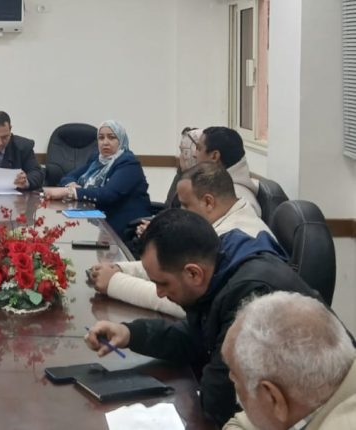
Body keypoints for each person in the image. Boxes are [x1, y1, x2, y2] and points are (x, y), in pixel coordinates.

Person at [84, 208, 320, 426]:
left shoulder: (249, 298)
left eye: (163, 283)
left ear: (193, 273)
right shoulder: (222, 261)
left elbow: (218, 402)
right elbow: (197, 335)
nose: (159, 293)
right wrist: (130, 333)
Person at [88, 162, 273, 318]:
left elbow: (187, 302)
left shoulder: (237, 236)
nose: (180, 212)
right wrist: (120, 268)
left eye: (185, 205)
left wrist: (115, 283)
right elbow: (173, 265)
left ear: (208, 202)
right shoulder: (230, 218)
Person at [222, 292, 356, 430]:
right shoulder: (328, 384)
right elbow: (240, 424)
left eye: (236, 380)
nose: (230, 377)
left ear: (273, 398)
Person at [43, 120, 151, 235]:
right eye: (101, 138)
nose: (105, 142)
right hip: (96, 221)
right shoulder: (97, 160)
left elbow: (108, 194)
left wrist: (70, 192)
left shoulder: (128, 163)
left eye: (111, 137)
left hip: (122, 227)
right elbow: (68, 177)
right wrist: (72, 185)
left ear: (121, 140)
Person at [196, 126, 261, 216]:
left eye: (199, 149)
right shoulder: (222, 188)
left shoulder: (238, 201)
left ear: (214, 156)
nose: (194, 155)